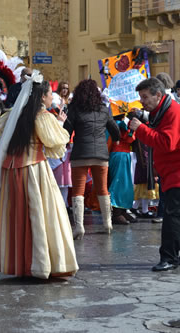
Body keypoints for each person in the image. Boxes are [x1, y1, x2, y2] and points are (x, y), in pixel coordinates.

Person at [0, 70, 78, 279]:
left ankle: (18, 263)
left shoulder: (13, 115)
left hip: (10, 171)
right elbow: (55, 142)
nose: (52, 96)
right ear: (42, 96)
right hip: (33, 170)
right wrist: (60, 124)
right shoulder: (42, 116)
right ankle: (39, 264)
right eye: (49, 93)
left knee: (15, 215)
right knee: (40, 216)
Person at [129, 77, 180, 272]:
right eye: (141, 97)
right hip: (174, 171)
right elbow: (157, 127)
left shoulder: (172, 112)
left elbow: (166, 142)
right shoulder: (163, 110)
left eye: (145, 97)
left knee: (173, 216)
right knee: (179, 214)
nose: (142, 101)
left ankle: (169, 257)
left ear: (158, 95)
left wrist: (141, 129)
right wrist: (144, 118)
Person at [64, 79, 120, 238]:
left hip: (80, 154)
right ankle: (107, 223)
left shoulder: (74, 109)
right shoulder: (103, 109)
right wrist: (116, 139)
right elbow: (114, 129)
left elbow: (66, 131)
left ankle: (79, 227)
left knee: (78, 191)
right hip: (101, 155)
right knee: (103, 189)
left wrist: (65, 142)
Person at [109, 115, 136, 225]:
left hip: (124, 154)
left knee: (125, 185)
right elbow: (128, 137)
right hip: (118, 153)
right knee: (118, 184)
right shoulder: (116, 123)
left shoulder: (123, 122)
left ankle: (122, 210)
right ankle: (116, 213)